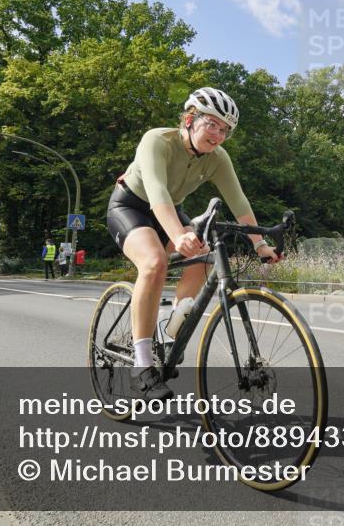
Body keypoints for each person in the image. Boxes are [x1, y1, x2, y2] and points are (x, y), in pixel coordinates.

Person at [106, 87, 281, 400]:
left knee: (204, 258)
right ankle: (142, 363)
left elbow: (239, 203)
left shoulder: (217, 159)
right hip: (131, 206)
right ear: (189, 119)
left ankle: (171, 331)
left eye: (225, 130)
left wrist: (259, 245)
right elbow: (157, 191)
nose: (218, 135)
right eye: (212, 124)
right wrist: (178, 236)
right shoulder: (157, 140)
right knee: (154, 262)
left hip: (170, 210)